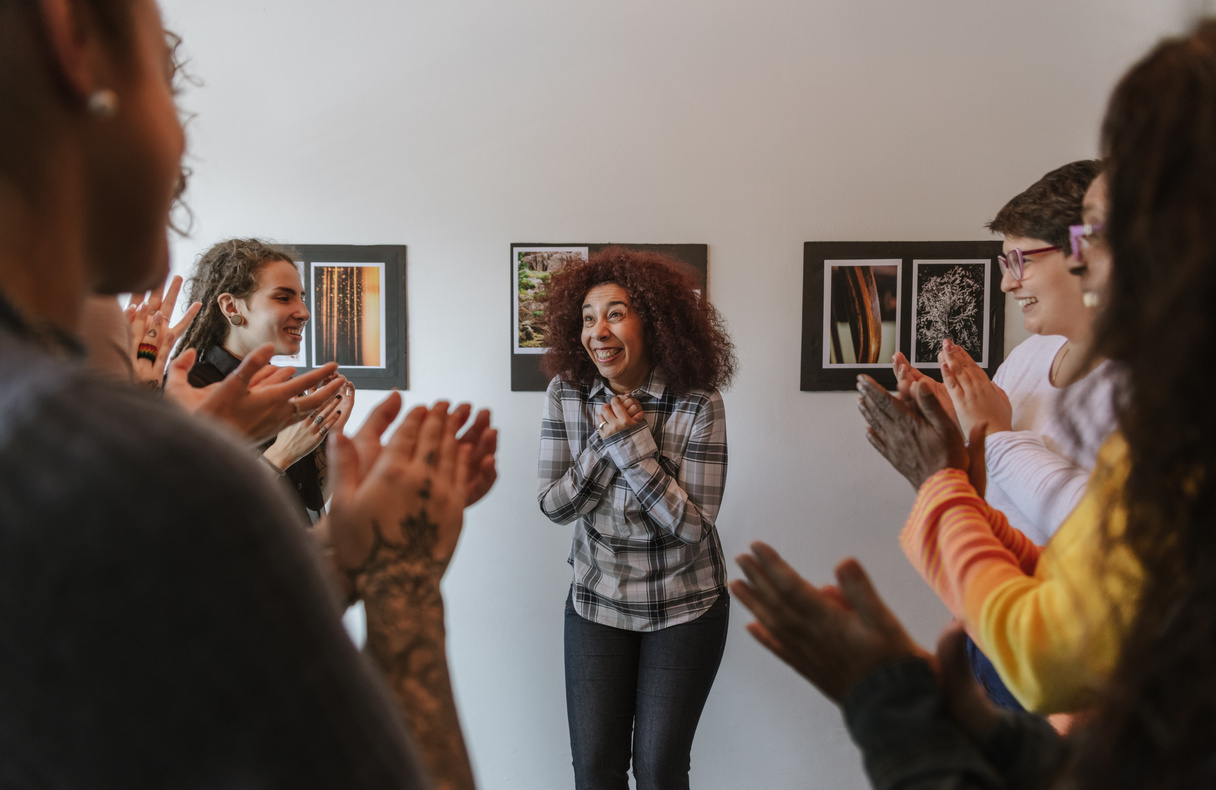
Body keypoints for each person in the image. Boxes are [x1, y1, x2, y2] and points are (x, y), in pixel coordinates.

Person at [0, 2, 494, 788]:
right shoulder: (131, 456)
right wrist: (403, 580)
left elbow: (180, 664)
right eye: (171, 86)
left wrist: (337, 538)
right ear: (78, 44)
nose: (184, 145)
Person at [740, 16, 1216, 789]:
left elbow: (1054, 642)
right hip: (1000, 639)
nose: (1089, 265)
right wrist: (952, 469)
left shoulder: (1174, 409)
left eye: (1098, 238)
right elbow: (1089, 569)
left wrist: (887, 693)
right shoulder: (1076, 373)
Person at [894, 161, 1116, 711]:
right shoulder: (1027, 357)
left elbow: (1095, 530)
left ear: (1084, 251)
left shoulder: (1152, 379)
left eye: (1021, 260)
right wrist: (950, 434)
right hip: (990, 617)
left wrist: (992, 434)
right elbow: (992, 489)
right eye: (1003, 261)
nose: (1006, 281)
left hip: (1073, 650)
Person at [537, 246, 737, 790]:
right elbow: (553, 505)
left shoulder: (698, 402)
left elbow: (693, 528)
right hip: (597, 601)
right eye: (586, 318)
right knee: (596, 771)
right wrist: (607, 445)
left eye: (616, 313)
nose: (597, 331)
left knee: (658, 770)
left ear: (654, 321)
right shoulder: (566, 395)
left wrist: (628, 444)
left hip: (685, 605)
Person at [178, 238, 355, 523]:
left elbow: (312, 499)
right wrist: (282, 454)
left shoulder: (281, 389)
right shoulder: (188, 390)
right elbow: (194, 518)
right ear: (231, 307)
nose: (304, 312)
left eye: (301, 297)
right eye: (284, 298)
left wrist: (329, 429)